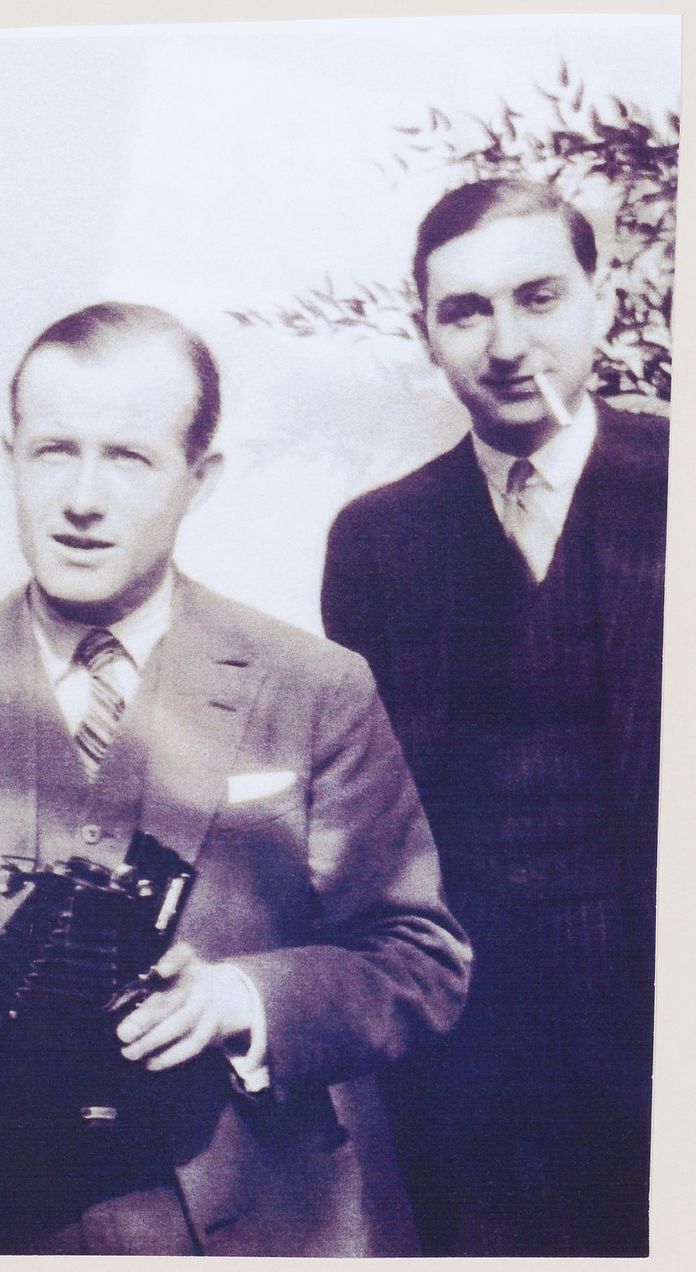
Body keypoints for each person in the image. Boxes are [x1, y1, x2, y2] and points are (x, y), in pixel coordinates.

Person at [0, 301, 471, 1255]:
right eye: (53, 451)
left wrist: (239, 1000)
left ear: (200, 478)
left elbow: (419, 961)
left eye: (130, 458)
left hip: (245, 1225)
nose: (82, 497)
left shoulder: (315, 689)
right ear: (11, 458)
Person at [321, 179, 666, 1256]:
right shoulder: (378, 543)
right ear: (423, 331)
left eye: (537, 297)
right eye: (464, 310)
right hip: (473, 1062)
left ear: (599, 303)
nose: (505, 343)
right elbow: (372, 831)